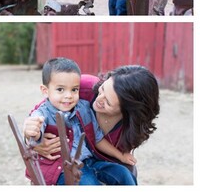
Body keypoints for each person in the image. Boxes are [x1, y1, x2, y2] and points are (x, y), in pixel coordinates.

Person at [27, 64, 160, 185]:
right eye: (102, 90)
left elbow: (98, 139)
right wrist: (33, 139)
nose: (98, 99)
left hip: (93, 161)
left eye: (107, 102)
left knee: (125, 174)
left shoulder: (130, 128)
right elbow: (43, 110)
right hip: (66, 165)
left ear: (127, 111)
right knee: (90, 183)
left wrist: (121, 156)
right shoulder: (80, 88)